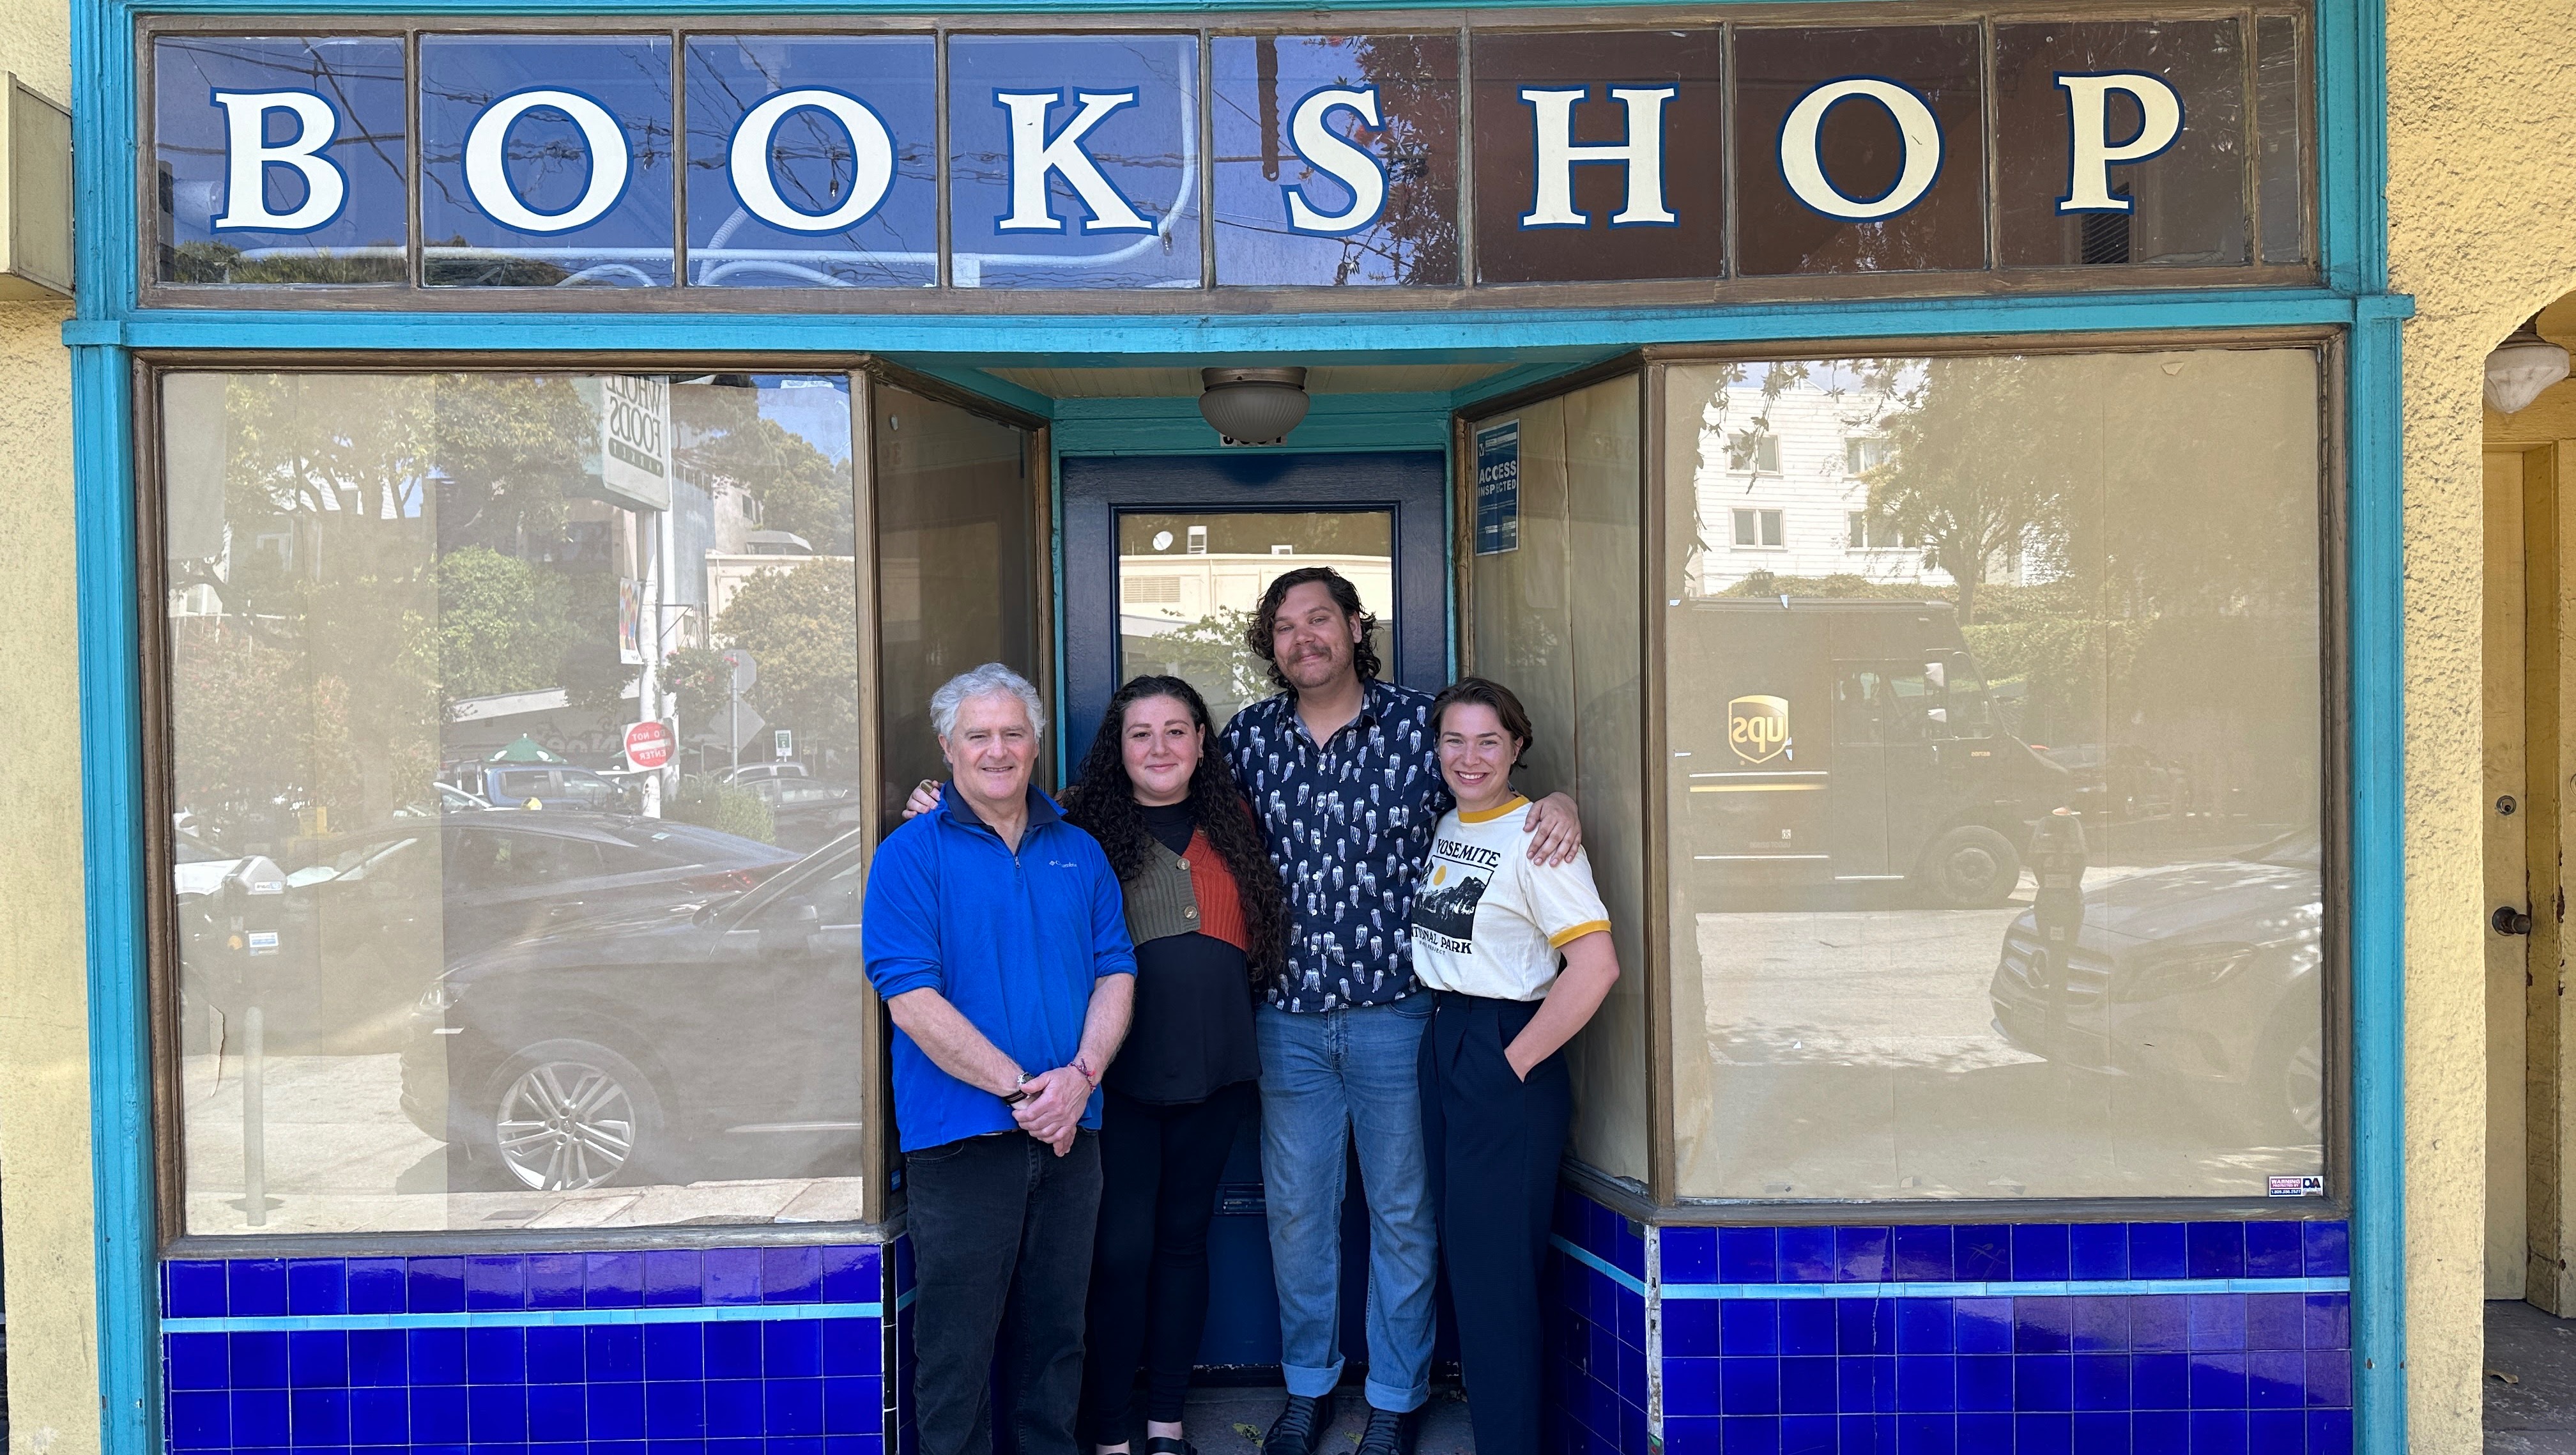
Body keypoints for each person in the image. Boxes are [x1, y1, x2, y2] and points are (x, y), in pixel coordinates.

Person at [1216, 567, 1584, 1455]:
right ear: (1271, 645)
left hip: (1399, 1017)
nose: (1304, 637)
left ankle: (1394, 1396)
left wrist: (1563, 803)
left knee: (1403, 1216)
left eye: (1320, 619)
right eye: (1285, 625)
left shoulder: (1422, 728)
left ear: (1353, 626)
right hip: (1289, 1021)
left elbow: (1494, 799)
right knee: (1299, 1217)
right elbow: (1153, 798)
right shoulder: (1249, 739)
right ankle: (1308, 1390)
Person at [863, 663, 1138, 1455]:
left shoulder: (1078, 851)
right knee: (957, 1350)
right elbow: (910, 999)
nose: (997, 749)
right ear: (948, 747)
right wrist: (1027, 1092)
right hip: (962, 1138)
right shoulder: (909, 856)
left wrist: (1080, 1078)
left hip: (1070, 1132)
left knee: (1056, 1342)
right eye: (978, 735)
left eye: (1013, 733)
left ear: (1036, 742)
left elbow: (1116, 969)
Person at [1062, 675, 1290, 1455]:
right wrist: (929, 796)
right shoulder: (1075, 823)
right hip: (1119, 1073)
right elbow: (983, 812)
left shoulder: (1238, 821)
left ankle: (1166, 1426)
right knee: (1120, 1250)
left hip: (1218, 1068)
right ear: (1116, 748)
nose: (1159, 747)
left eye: (1176, 730)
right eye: (1140, 733)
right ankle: (1111, 1433)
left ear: (1200, 741)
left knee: (1185, 1243)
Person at [1409, 677, 1621, 1455]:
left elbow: (1595, 968)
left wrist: (1510, 1066)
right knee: (1471, 1270)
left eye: (1488, 741)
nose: (1470, 758)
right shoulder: (1453, 822)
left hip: (1506, 1048)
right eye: (1454, 741)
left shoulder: (1539, 838)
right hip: (1447, 1038)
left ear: (1517, 748)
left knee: (1496, 1284)